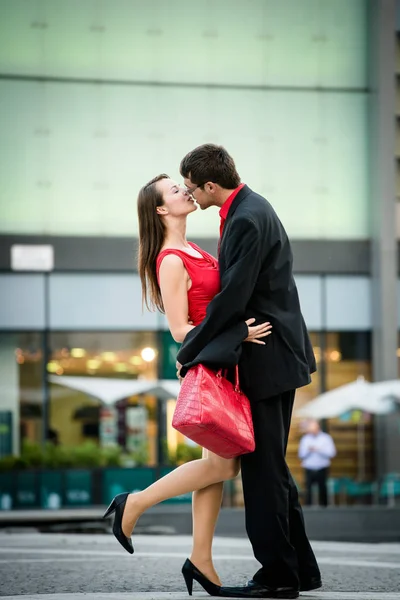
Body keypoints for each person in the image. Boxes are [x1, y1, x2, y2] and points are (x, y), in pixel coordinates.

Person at [103, 173, 271, 596]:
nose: (186, 191)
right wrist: (238, 333)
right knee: (224, 465)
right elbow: (180, 330)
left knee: (214, 470)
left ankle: (201, 559)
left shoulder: (192, 248)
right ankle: (135, 502)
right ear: (162, 209)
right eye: (176, 191)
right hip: (211, 366)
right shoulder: (172, 260)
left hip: (220, 365)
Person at [176, 144, 321, 599]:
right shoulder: (251, 208)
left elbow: (233, 296)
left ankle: (278, 577)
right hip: (276, 354)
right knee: (272, 467)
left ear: (211, 185)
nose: (190, 195)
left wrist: (191, 351)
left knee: (262, 472)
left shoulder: (245, 218)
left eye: (193, 187)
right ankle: (301, 571)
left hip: (269, 359)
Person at [298, 419, 336, 507]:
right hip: (309, 467)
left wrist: (319, 449)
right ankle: (308, 507)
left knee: (323, 487)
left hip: (322, 467)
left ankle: (324, 507)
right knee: (308, 488)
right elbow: (301, 455)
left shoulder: (326, 438)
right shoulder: (305, 439)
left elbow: (332, 453)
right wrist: (309, 450)